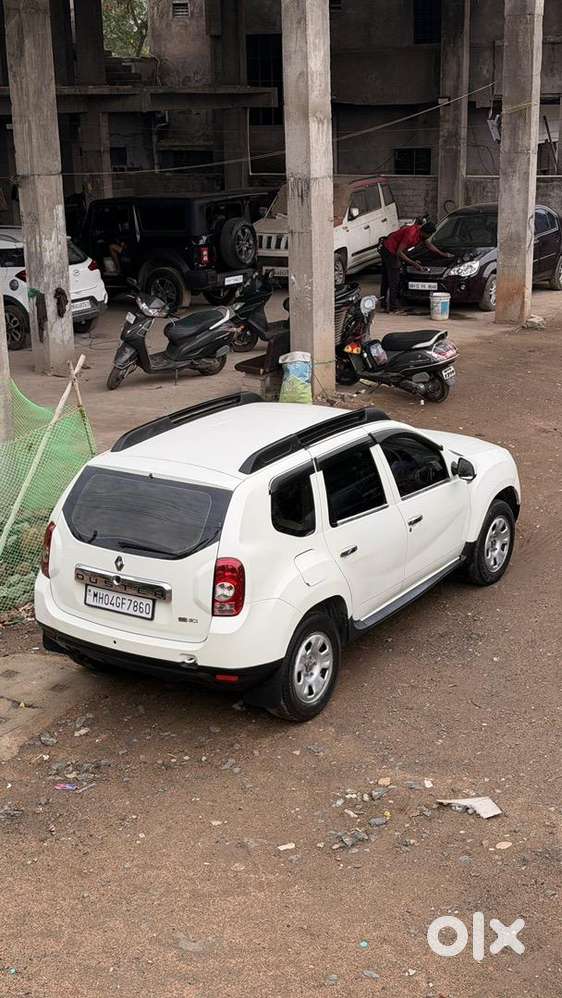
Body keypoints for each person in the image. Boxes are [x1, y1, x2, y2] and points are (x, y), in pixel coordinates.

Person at [380, 220, 454, 312]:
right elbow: (399, 252)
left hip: (393, 249)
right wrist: (414, 264)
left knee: (387, 278)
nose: (429, 237)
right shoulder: (411, 234)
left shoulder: (421, 232)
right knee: (394, 279)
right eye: (429, 235)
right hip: (389, 250)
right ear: (424, 233)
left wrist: (443, 254)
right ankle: (393, 307)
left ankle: (384, 303)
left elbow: (429, 245)